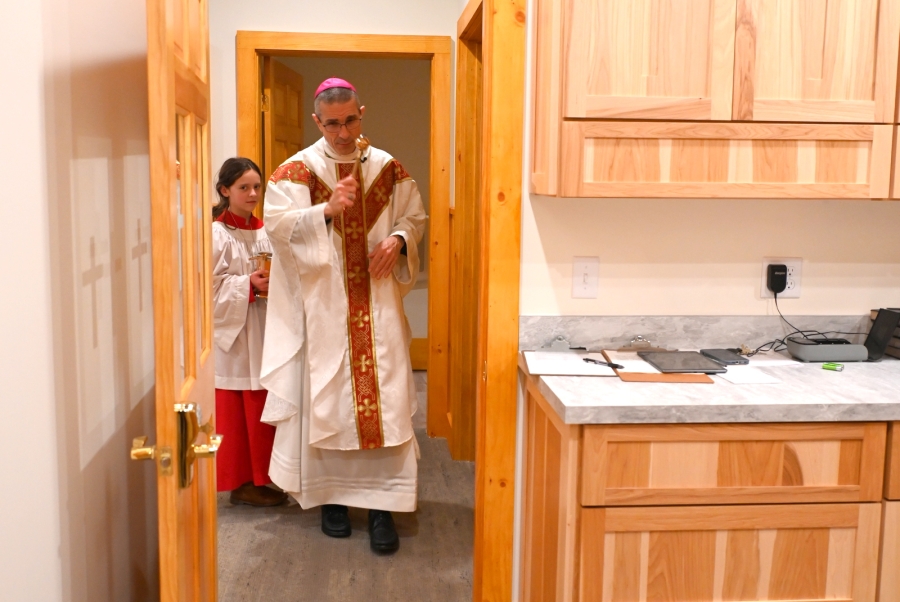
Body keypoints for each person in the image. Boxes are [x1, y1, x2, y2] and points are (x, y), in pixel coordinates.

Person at [260, 78, 426, 554]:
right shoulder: (296, 171)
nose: (342, 131)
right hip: (325, 307)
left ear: (362, 112)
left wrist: (397, 241)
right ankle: (331, 500)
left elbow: (413, 218)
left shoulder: (388, 168)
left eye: (350, 120)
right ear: (317, 122)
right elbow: (279, 228)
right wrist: (325, 212)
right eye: (332, 123)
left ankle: (382, 510)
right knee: (326, 397)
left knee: (387, 398)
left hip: (378, 307)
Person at [212, 157, 287, 507]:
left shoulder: (266, 230)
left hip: (266, 325)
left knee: (265, 401)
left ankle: (267, 477)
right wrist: (249, 285)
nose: (253, 193)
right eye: (244, 187)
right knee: (239, 407)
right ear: (225, 191)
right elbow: (206, 288)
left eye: (257, 186)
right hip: (236, 332)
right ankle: (242, 482)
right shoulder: (215, 233)